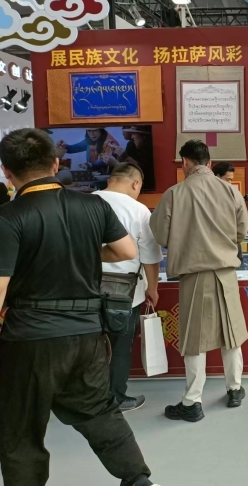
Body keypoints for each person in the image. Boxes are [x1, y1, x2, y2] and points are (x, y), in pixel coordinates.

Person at [0, 128, 157, 486]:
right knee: (100, 412)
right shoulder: (93, 206)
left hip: (30, 339)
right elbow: (126, 251)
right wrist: (82, 253)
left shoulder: (6, 217)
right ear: (55, 164)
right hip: (87, 334)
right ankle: (138, 480)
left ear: (6, 170)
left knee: (20, 428)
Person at [150, 140, 248, 423]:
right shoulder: (230, 191)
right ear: (209, 162)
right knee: (231, 333)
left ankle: (192, 401)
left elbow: (160, 234)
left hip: (194, 275)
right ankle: (235, 388)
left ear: (185, 162)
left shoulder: (175, 193)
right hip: (226, 272)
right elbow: (242, 230)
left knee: (195, 339)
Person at [96, 163, 163, 412]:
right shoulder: (138, 210)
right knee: (120, 346)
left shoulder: (84, 203)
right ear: (136, 183)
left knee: (88, 345)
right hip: (124, 292)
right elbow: (150, 257)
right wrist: (153, 288)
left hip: (85, 287)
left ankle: (86, 398)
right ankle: (116, 398)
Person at [106, 126, 156, 193]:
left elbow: (143, 173)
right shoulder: (131, 145)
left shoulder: (153, 152)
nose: (132, 137)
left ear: (144, 136)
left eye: (134, 133)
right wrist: (118, 156)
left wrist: (117, 164)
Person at [56, 127, 122, 173]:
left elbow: (105, 161)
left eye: (94, 131)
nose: (91, 134)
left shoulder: (110, 143)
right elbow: (73, 148)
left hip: (108, 177)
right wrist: (65, 146)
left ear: (101, 130)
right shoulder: (89, 140)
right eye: (89, 131)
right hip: (93, 175)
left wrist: (89, 165)